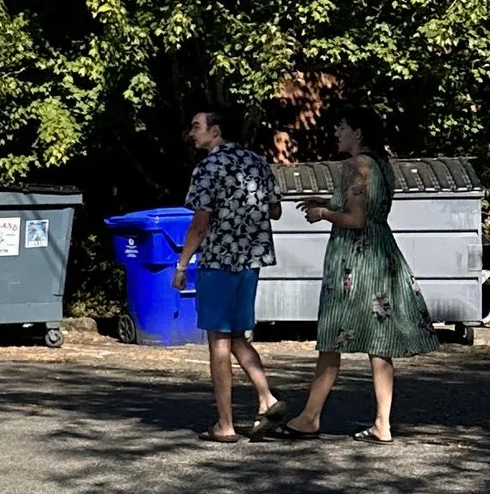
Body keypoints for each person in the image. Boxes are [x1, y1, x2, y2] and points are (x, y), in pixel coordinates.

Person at [285, 110, 435, 440]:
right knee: (379, 342)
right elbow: (367, 205)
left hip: (354, 260)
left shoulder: (355, 165)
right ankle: (383, 423)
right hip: (382, 255)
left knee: (332, 336)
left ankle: (310, 417)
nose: (337, 132)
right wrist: (327, 200)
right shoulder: (381, 165)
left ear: (359, 132)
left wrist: (322, 213)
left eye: (342, 127)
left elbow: (355, 219)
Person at [172, 106, 285, 439]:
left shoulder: (208, 168)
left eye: (196, 126)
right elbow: (276, 210)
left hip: (219, 261)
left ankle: (225, 424)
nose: (192, 133)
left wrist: (181, 265)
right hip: (251, 259)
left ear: (215, 131)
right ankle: (267, 398)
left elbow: (199, 225)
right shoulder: (257, 162)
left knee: (218, 342)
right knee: (236, 335)